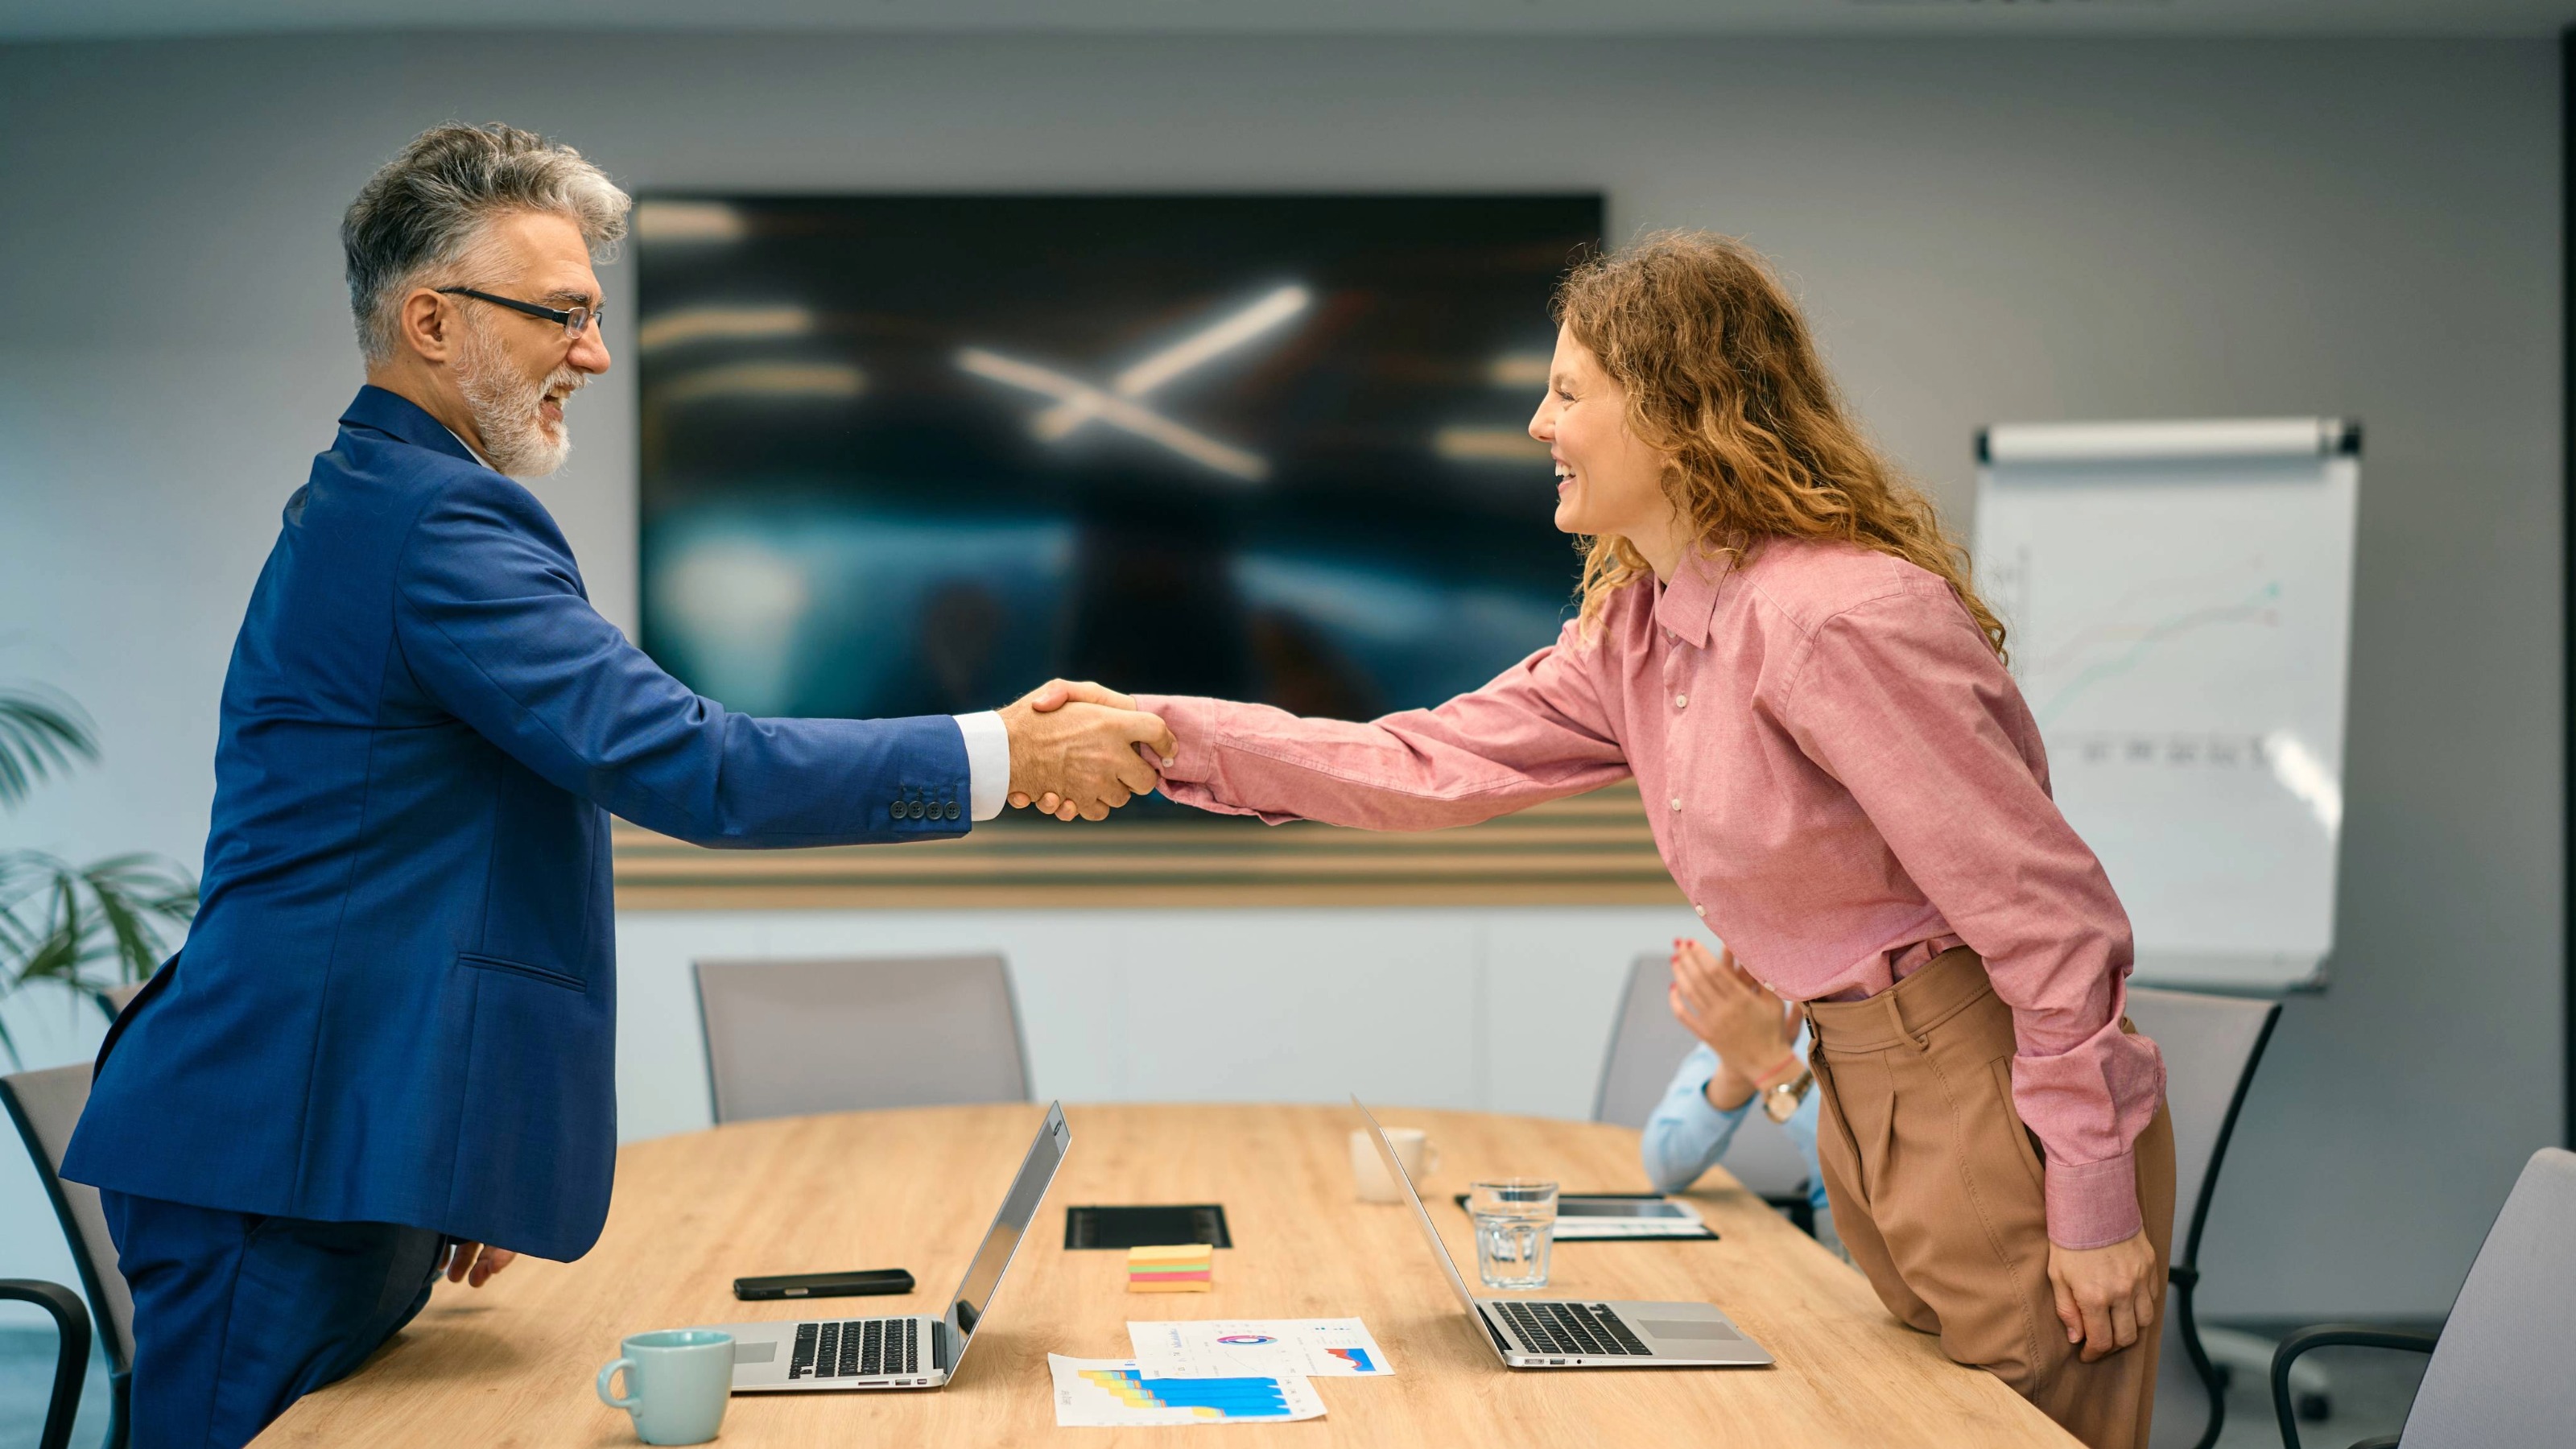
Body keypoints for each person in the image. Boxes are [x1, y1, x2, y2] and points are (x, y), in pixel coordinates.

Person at [59, 123, 1170, 1449]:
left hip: (331, 1137)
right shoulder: (435, 525)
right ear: (432, 321)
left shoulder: (383, 500)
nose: (592, 353)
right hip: (279, 1154)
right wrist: (1008, 752)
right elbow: (693, 765)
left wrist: (443, 1149)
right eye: (563, 316)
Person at [1022, 232, 2177, 1449]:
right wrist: (1162, 734)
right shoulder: (1640, 632)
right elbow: (1429, 762)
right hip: (1861, 1090)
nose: (1536, 424)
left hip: (1985, 1100)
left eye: (1569, 392)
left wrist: (2093, 1200)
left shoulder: (1838, 619)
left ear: (1679, 414)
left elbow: (2048, 922)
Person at [1646, 939, 1831, 1244]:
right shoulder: (1765, 999)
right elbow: (1664, 1164)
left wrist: (1773, 1068)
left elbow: (1883, 1165)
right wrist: (1738, 1071)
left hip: (1886, 1237)